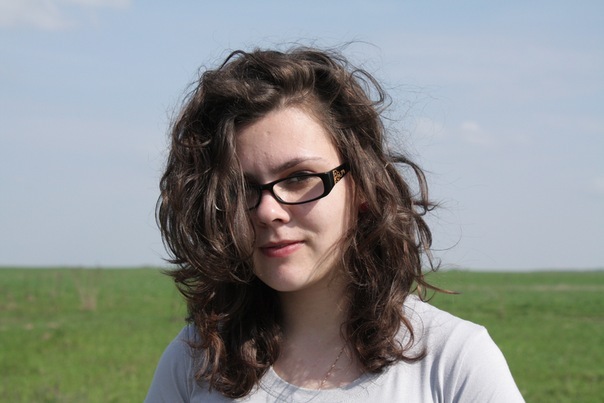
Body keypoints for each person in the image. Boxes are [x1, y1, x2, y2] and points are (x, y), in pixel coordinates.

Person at [145, 46, 524, 402]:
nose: (267, 211)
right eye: (239, 189)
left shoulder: (453, 361)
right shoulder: (194, 363)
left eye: (298, 178)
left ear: (361, 185)